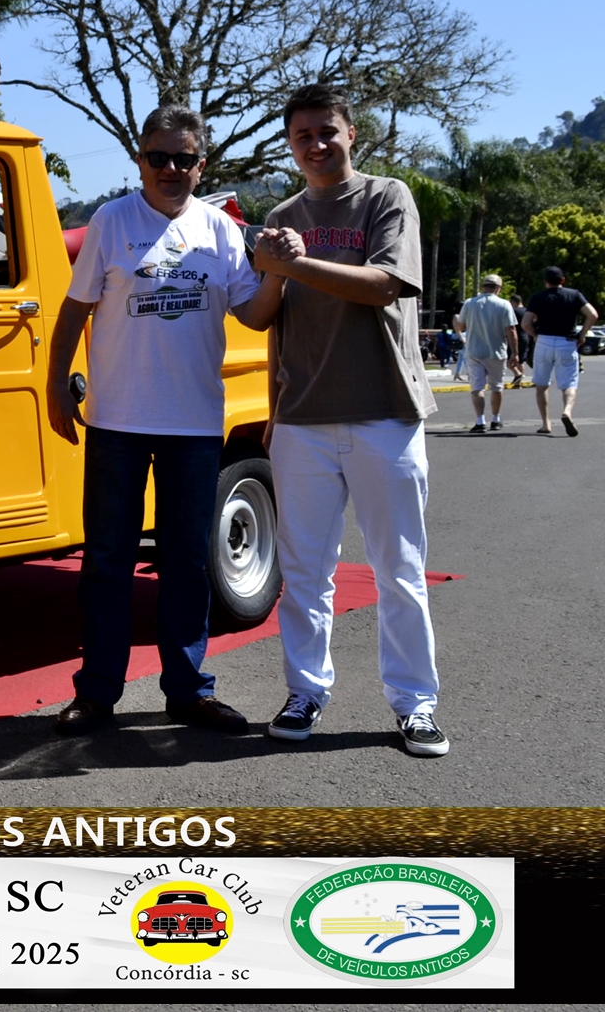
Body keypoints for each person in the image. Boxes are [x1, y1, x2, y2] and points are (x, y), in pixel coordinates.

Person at [47, 105, 282, 735]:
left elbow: (254, 316)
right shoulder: (111, 220)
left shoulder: (221, 230)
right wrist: (56, 387)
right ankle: (97, 693)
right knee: (107, 562)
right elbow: (74, 310)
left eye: (184, 158)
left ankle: (189, 691)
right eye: (159, 157)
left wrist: (279, 276)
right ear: (140, 159)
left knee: (186, 563)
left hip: (195, 425)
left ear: (201, 165)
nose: (170, 169)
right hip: (117, 423)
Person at [240, 84, 449, 758]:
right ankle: (305, 691)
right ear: (290, 144)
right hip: (302, 419)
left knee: (399, 570)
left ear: (351, 133)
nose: (316, 144)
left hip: (384, 410)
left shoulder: (387, 198)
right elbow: (266, 320)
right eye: (302, 135)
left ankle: (415, 703)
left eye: (327, 131)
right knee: (304, 571)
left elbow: (384, 286)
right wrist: (275, 273)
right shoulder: (283, 215)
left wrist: (295, 261)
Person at [522, 267, 599, 436]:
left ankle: (546, 423)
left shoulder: (538, 298)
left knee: (541, 385)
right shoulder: (574, 295)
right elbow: (593, 315)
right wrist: (582, 334)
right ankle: (567, 411)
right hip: (567, 342)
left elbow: (525, 323)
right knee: (569, 383)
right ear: (563, 280)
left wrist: (535, 335)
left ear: (545, 281)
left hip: (544, 341)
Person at [455, 274, 519, 431]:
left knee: (477, 388)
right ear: (498, 288)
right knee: (496, 387)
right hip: (496, 352)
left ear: (483, 286)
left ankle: (480, 421)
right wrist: (515, 353)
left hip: (474, 352)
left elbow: (461, 325)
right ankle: (495, 419)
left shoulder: (470, 303)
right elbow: (511, 330)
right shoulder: (504, 304)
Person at [508, 295, 529, 387]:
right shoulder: (527, 311)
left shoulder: (514, 312)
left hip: (516, 337)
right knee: (521, 361)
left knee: (509, 359)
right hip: (525, 336)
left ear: (514, 302)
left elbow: (511, 326)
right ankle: (518, 382)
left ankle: (518, 374)